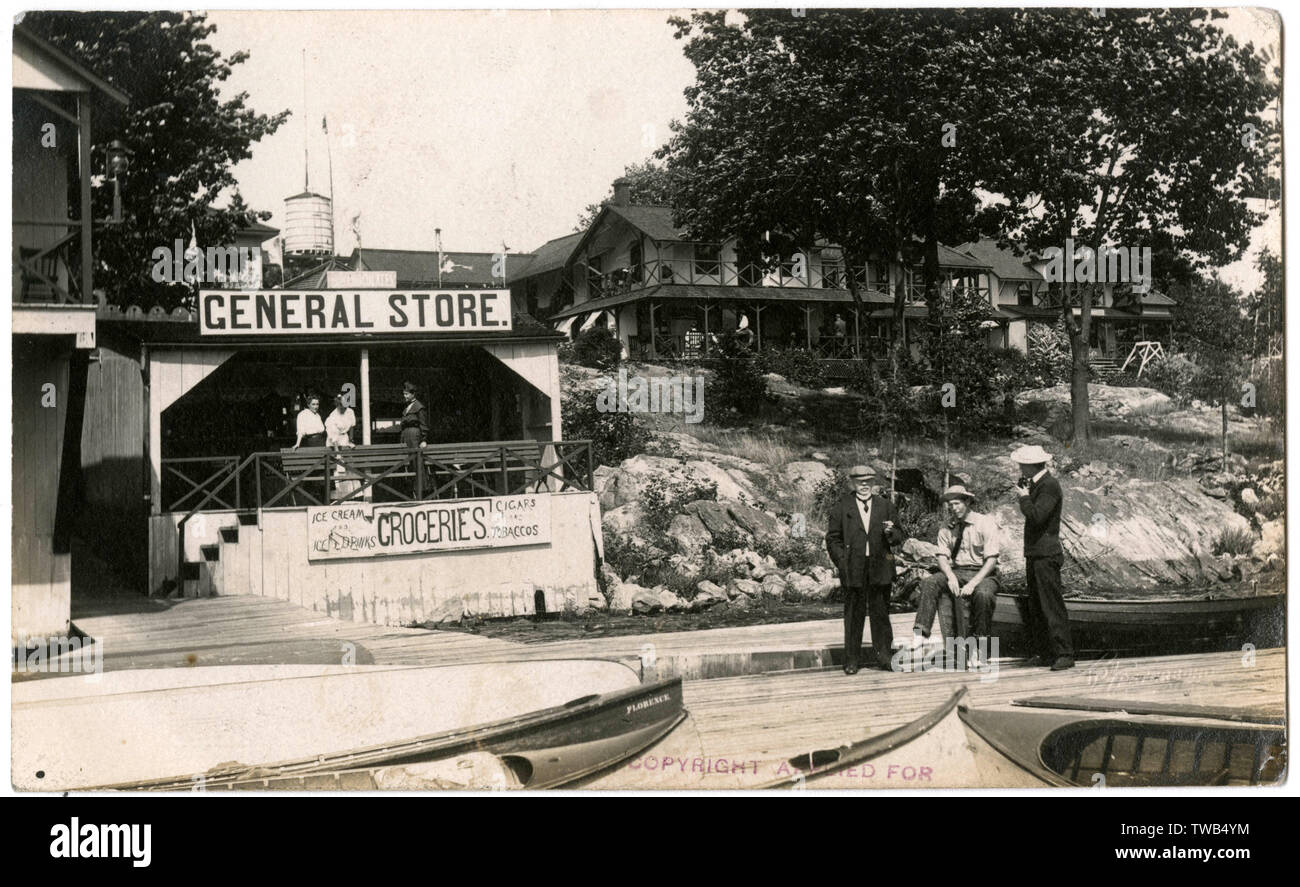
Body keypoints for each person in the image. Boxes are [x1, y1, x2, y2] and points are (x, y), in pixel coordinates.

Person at [908, 484, 1001, 668]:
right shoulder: (947, 526)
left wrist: (973, 583)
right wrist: (950, 576)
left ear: (967, 502)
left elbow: (991, 560)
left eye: (957, 503)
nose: (953, 508)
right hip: (957, 571)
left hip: (983, 573)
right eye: (950, 505)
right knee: (930, 582)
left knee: (983, 595)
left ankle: (978, 648)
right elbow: (942, 556)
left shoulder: (985, 523)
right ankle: (920, 635)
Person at [825, 464, 905, 674]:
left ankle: (885, 658)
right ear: (852, 483)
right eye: (860, 482)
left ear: (874, 483)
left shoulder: (885, 506)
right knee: (854, 615)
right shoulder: (842, 506)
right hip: (854, 567)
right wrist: (843, 562)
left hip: (880, 566)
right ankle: (851, 660)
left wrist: (890, 532)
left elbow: (898, 537)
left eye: (868, 482)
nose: (864, 486)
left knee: (881, 614)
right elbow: (832, 539)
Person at [1011, 444, 1073, 670]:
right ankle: (1046, 652)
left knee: (1051, 605)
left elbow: (1037, 517)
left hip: (1046, 555)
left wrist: (1024, 498)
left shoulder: (1049, 485)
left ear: (1030, 465)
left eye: (1021, 464)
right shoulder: (1038, 483)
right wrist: (1026, 494)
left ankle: (1064, 653)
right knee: (1037, 605)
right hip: (1036, 554)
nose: (1019, 468)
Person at [325, 390, 359, 501]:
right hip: (335, 443)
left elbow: (352, 426)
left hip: (345, 440)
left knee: (350, 468)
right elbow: (333, 437)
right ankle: (342, 497)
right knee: (340, 469)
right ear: (338, 404)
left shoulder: (350, 412)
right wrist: (337, 453)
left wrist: (350, 441)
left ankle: (354, 496)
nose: (344, 407)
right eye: (342, 405)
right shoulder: (332, 416)